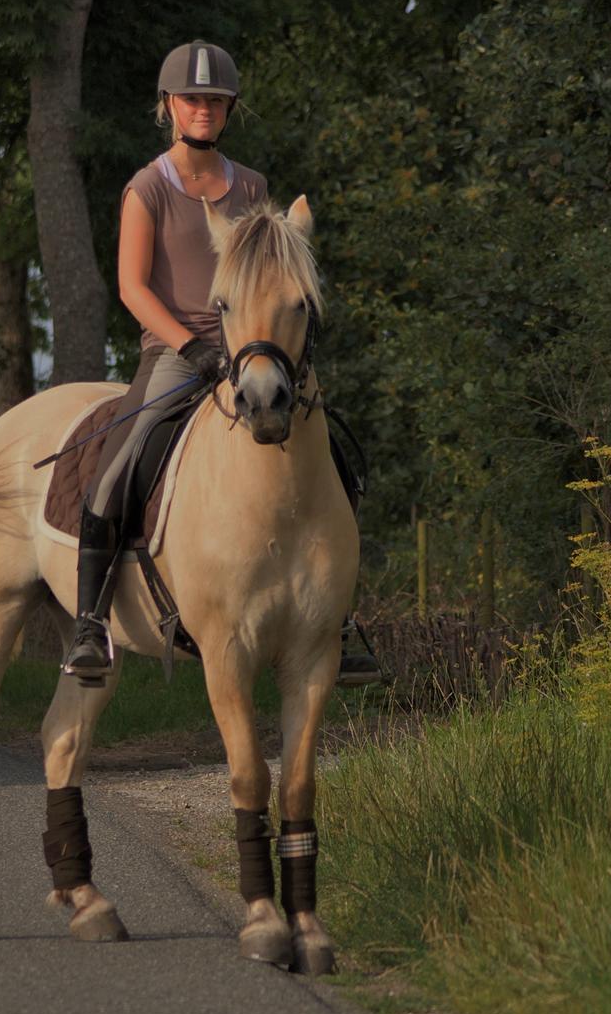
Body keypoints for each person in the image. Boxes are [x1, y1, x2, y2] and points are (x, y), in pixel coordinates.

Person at [61, 40, 379, 684]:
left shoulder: (253, 186)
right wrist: (191, 347)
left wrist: (250, 344)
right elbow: (132, 289)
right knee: (121, 464)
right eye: (192, 99)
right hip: (177, 354)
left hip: (255, 347)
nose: (203, 109)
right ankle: (89, 625)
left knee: (334, 458)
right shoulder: (146, 189)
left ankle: (337, 620)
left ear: (229, 108)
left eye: (214, 100)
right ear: (169, 106)